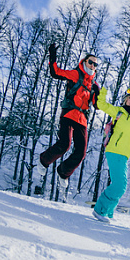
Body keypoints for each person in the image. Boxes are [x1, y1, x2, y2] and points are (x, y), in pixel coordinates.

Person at [37, 44, 99, 190]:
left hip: (82, 119)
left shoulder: (94, 84)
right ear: (84, 62)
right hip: (69, 113)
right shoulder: (75, 74)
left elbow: (96, 105)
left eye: (95, 64)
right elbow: (55, 72)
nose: (92, 65)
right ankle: (44, 161)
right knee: (65, 144)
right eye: (90, 62)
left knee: (81, 152)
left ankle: (63, 172)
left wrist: (99, 93)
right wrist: (52, 55)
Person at [92, 87, 130, 222]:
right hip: (114, 150)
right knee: (120, 184)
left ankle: (109, 212)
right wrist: (104, 91)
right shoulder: (119, 111)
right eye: (129, 98)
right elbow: (101, 105)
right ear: (125, 100)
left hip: (124, 155)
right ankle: (99, 210)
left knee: (121, 184)